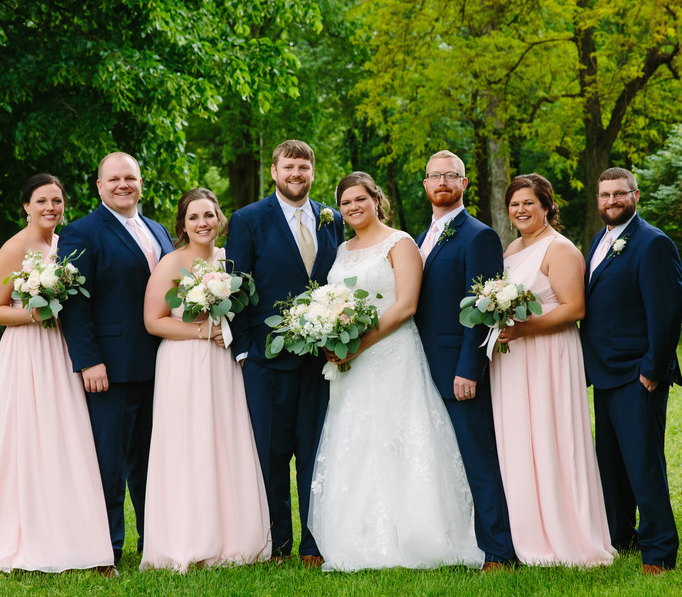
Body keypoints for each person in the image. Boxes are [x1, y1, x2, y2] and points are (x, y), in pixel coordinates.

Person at [308, 173, 484, 571]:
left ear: (376, 199)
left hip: (392, 354)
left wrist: (359, 342)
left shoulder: (400, 242)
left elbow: (406, 306)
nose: (353, 207)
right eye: (346, 202)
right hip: (352, 362)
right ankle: (361, 533)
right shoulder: (341, 250)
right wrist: (333, 336)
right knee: (358, 438)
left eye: (360, 199)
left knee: (397, 437)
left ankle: (415, 533)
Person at [0, 174, 113, 573]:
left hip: (60, 349)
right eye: (41, 201)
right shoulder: (15, 247)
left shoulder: (63, 245)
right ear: (26, 206)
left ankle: (73, 538)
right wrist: (33, 314)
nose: (50, 208)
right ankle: (28, 539)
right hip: (27, 352)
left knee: (66, 438)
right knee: (30, 440)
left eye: (56, 200)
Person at [225, 139, 344, 566]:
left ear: (313, 172)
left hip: (320, 360)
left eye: (304, 167)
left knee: (316, 452)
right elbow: (235, 287)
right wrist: (242, 350)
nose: (297, 174)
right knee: (271, 455)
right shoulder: (247, 220)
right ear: (274, 171)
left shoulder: (332, 220)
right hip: (265, 358)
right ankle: (277, 545)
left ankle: (313, 545)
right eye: (289, 167)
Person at [139, 189, 271, 572]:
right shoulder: (171, 262)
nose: (203, 223)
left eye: (210, 215)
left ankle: (234, 540)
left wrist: (220, 334)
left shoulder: (230, 262)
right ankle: (188, 539)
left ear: (220, 219)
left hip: (222, 363)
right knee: (188, 444)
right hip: (183, 363)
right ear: (182, 224)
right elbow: (153, 320)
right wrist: (201, 333)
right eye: (194, 217)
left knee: (225, 441)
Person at [491, 174, 615, 567]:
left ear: (547, 206)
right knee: (519, 440)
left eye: (529, 202)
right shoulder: (512, 248)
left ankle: (566, 533)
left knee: (549, 436)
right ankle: (525, 529)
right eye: (515, 204)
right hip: (513, 359)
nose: (521, 210)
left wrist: (523, 328)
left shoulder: (560, 249)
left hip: (547, 354)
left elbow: (573, 308)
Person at [58, 152, 175, 566]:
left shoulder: (159, 230)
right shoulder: (81, 232)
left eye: (131, 177)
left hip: (161, 364)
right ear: (99, 186)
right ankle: (107, 547)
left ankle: (153, 540)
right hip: (110, 367)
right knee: (109, 462)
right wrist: (89, 361)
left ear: (141, 182)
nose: (123, 185)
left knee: (151, 460)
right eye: (114, 179)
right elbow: (74, 304)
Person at [579, 167, 682, 575]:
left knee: (643, 465)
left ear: (635, 196)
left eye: (619, 194)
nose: (611, 201)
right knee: (612, 464)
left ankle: (658, 552)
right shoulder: (600, 241)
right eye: (605, 195)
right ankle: (621, 536)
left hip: (638, 373)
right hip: (605, 373)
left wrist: (653, 370)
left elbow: (668, 312)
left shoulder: (653, 243)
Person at [415, 150, 517, 570]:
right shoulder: (420, 236)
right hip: (420, 367)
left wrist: (468, 369)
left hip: (457, 369)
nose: (442, 182)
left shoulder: (479, 236)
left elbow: (484, 309)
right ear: (425, 185)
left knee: (477, 458)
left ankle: (498, 550)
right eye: (434, 176)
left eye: (450, 175)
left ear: (464, 184)